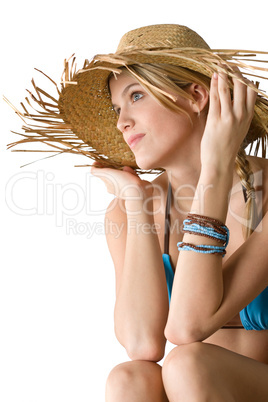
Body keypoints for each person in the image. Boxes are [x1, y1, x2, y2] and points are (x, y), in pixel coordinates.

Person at [8, 24, 268, 401]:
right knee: (128, 378)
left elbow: (186, 329)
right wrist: (135, 203)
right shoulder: (126, 212)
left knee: (186, 364)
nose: (121, 121)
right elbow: (143, 343)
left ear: (195, 96)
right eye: (117, 108)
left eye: (136, 95)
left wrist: (216, 167)